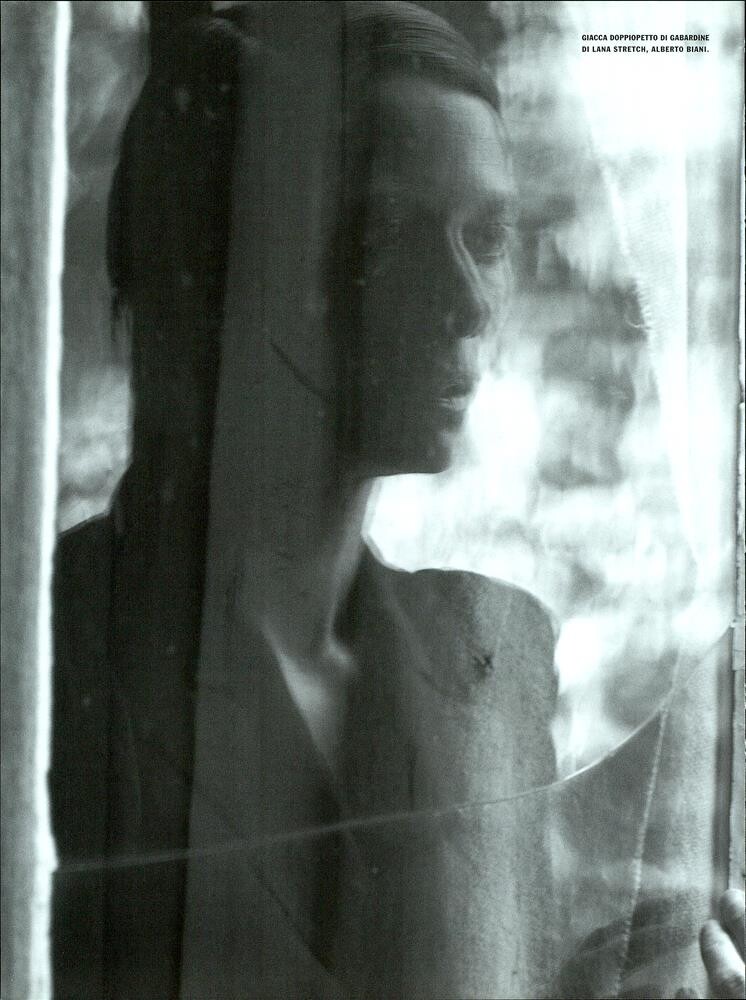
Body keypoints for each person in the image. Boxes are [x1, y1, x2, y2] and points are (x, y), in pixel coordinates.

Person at [50, 3, 744, 998]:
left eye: (486, 236)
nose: (468, 301)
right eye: (384, 231)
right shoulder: (48, 651)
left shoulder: (492, 652)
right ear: (225, 270)